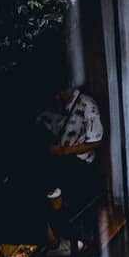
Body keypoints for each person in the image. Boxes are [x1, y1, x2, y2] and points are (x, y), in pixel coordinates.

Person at [36, 80, 104, 239]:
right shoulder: (54, 105)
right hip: (60, 161)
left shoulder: (87, 105)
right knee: (55, 198)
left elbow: (96, 141)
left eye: (62, 91)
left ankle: (81, 237)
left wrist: (66, 150)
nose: (58, 96)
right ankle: (63, 234)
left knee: (79, 202)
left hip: (80, 162)